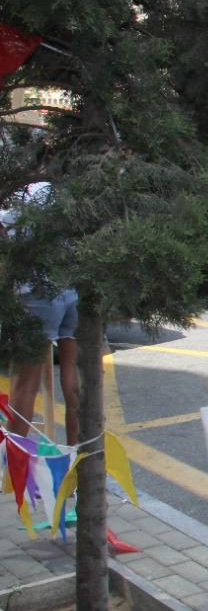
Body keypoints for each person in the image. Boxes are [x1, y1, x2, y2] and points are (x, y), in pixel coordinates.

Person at [1, 182, 79, 446]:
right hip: (69, 288)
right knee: (73, 376)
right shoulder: (68, 187)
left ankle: (11, 461)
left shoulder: (37, 191)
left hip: (38, 292)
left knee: (26, 382)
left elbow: (7, 228)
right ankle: (77, 458)